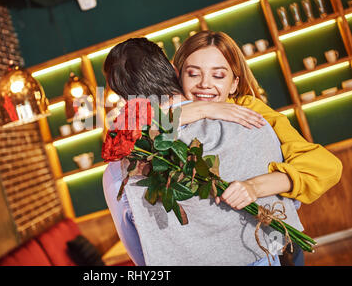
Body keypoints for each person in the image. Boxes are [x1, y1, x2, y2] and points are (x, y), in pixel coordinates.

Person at [102, 34, 342, 265]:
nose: (205, 84)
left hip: (275, 242)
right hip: (266, 245)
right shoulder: (248, 124)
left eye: (218, 75)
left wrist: (254, 186)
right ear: (177, 73)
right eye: (193, 74)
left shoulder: (249, 114)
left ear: (235, 83)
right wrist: (198, 111)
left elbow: (142, 253)